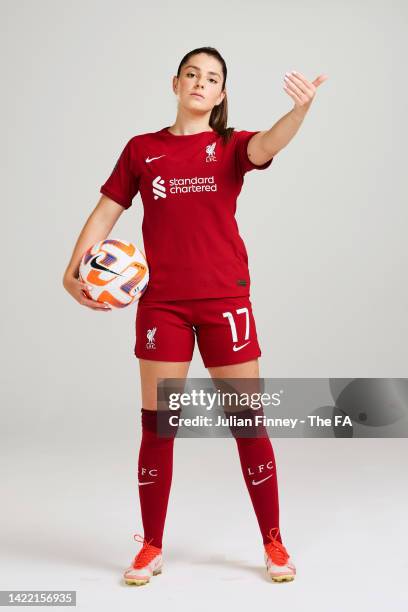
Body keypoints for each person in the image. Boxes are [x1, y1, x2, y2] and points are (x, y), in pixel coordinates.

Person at [63, 45, 327, 586]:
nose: (201, 84)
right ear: (176, 84)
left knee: (247, 423)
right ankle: (151, 546)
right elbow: (106, 211)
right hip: (162, 304)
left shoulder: (230, 147)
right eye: (192, 75)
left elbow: (269, 143)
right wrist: (72, 271)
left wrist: (298, 112)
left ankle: (274, 543)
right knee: (159, 427)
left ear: (221, 94)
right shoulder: (142, 149)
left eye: (212, 78)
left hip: (225, 301)